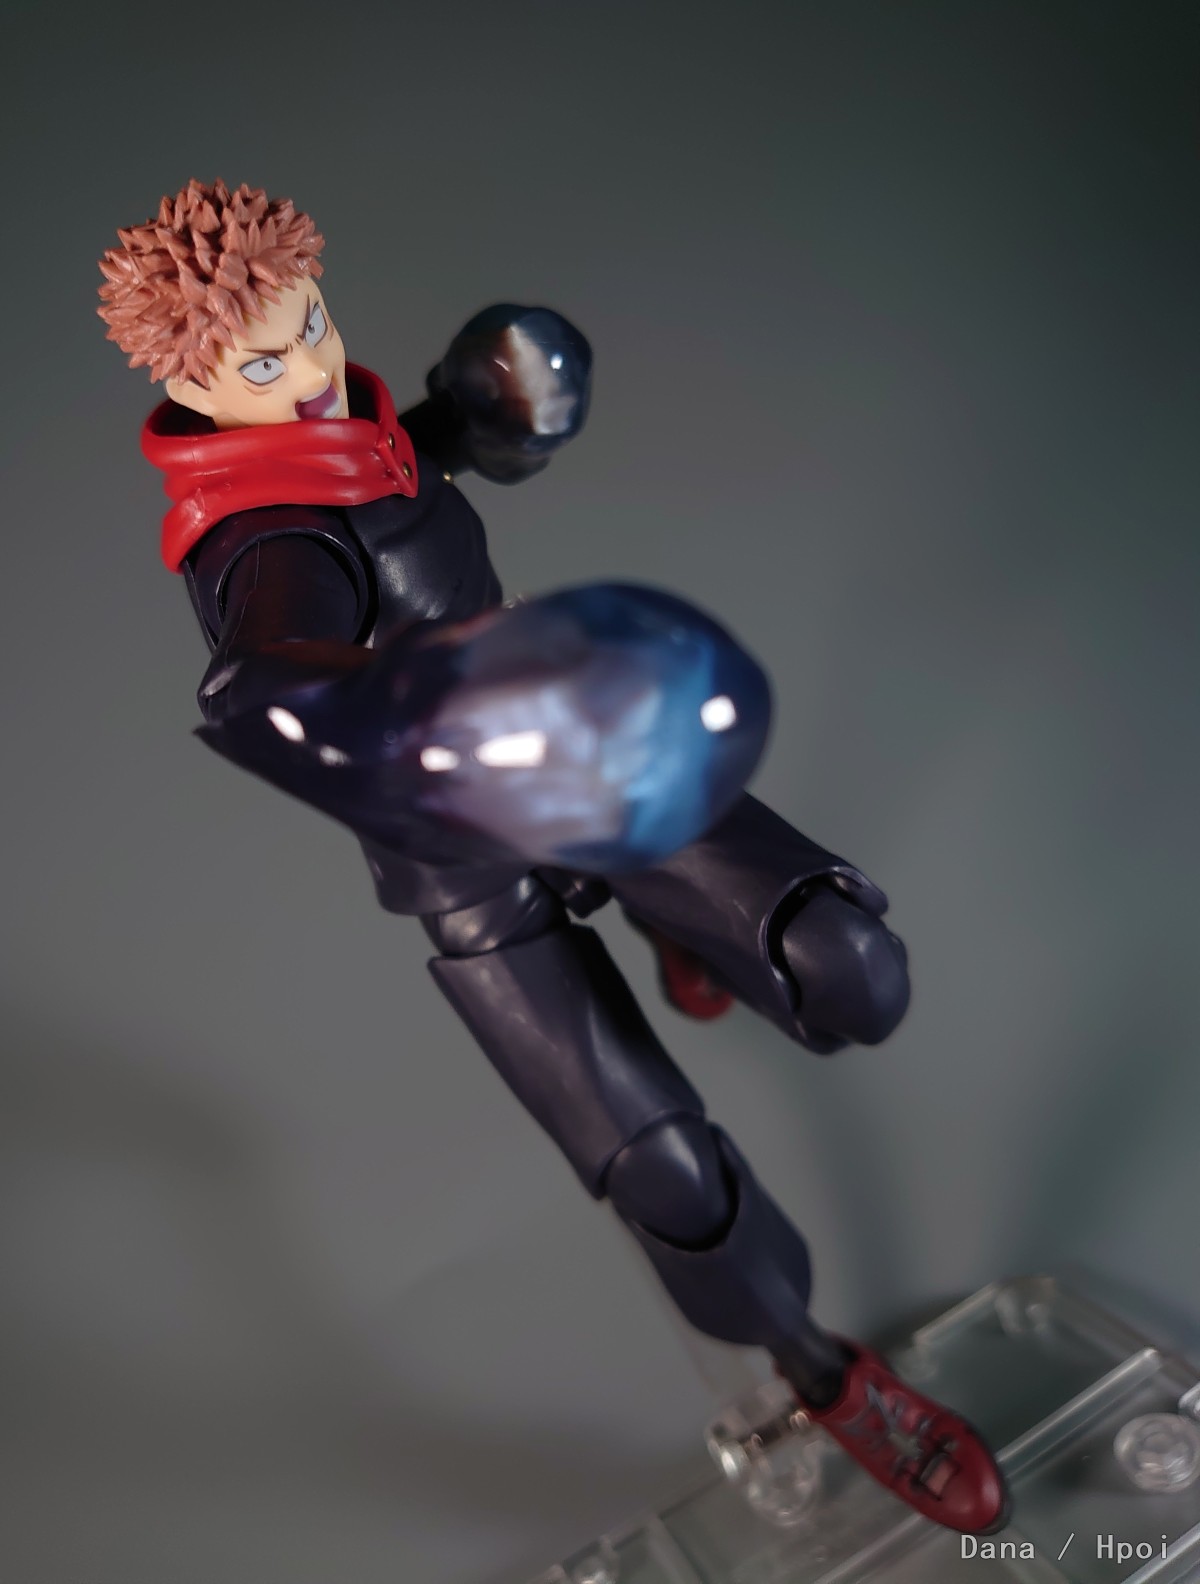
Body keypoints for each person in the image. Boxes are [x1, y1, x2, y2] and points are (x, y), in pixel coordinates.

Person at [98, 179, 1008, 1533]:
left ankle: (676, 924)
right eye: (264, 362)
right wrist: (416, 727)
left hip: (583, 757)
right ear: (190, 382)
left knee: (851, 966)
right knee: (669, 1180)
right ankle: (827, 1379)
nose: (307, 371)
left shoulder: (347, 443)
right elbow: (264, 682)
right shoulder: (264, 540)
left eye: (312, 325)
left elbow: (433, 458)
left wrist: (487, 410)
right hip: (467, 858)